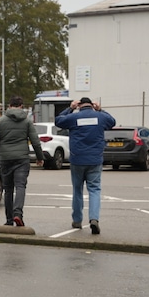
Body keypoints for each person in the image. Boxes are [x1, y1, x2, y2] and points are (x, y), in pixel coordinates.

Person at [56, 97, 116, 235]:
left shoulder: (73, 118)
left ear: (79, 105)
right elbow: (112, 122)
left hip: (77, 160)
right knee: (94, 189)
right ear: (91, 105)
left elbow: (58, 120)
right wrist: (100, 109)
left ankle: (77, 220)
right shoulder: (100, 117)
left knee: (77, 190)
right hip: (95, 160)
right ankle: (94, 219)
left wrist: (70, 108)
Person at [0, 95, 44, 228]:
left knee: (8, 189)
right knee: (20, 186)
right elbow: (35, 141)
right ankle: (18, 214)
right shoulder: (27, 122)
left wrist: (2, 149)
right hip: (22, 159)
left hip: (5, 159)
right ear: (21, 106)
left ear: (9, 106)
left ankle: (9, 219)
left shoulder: (0, 121)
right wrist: (40, 158)